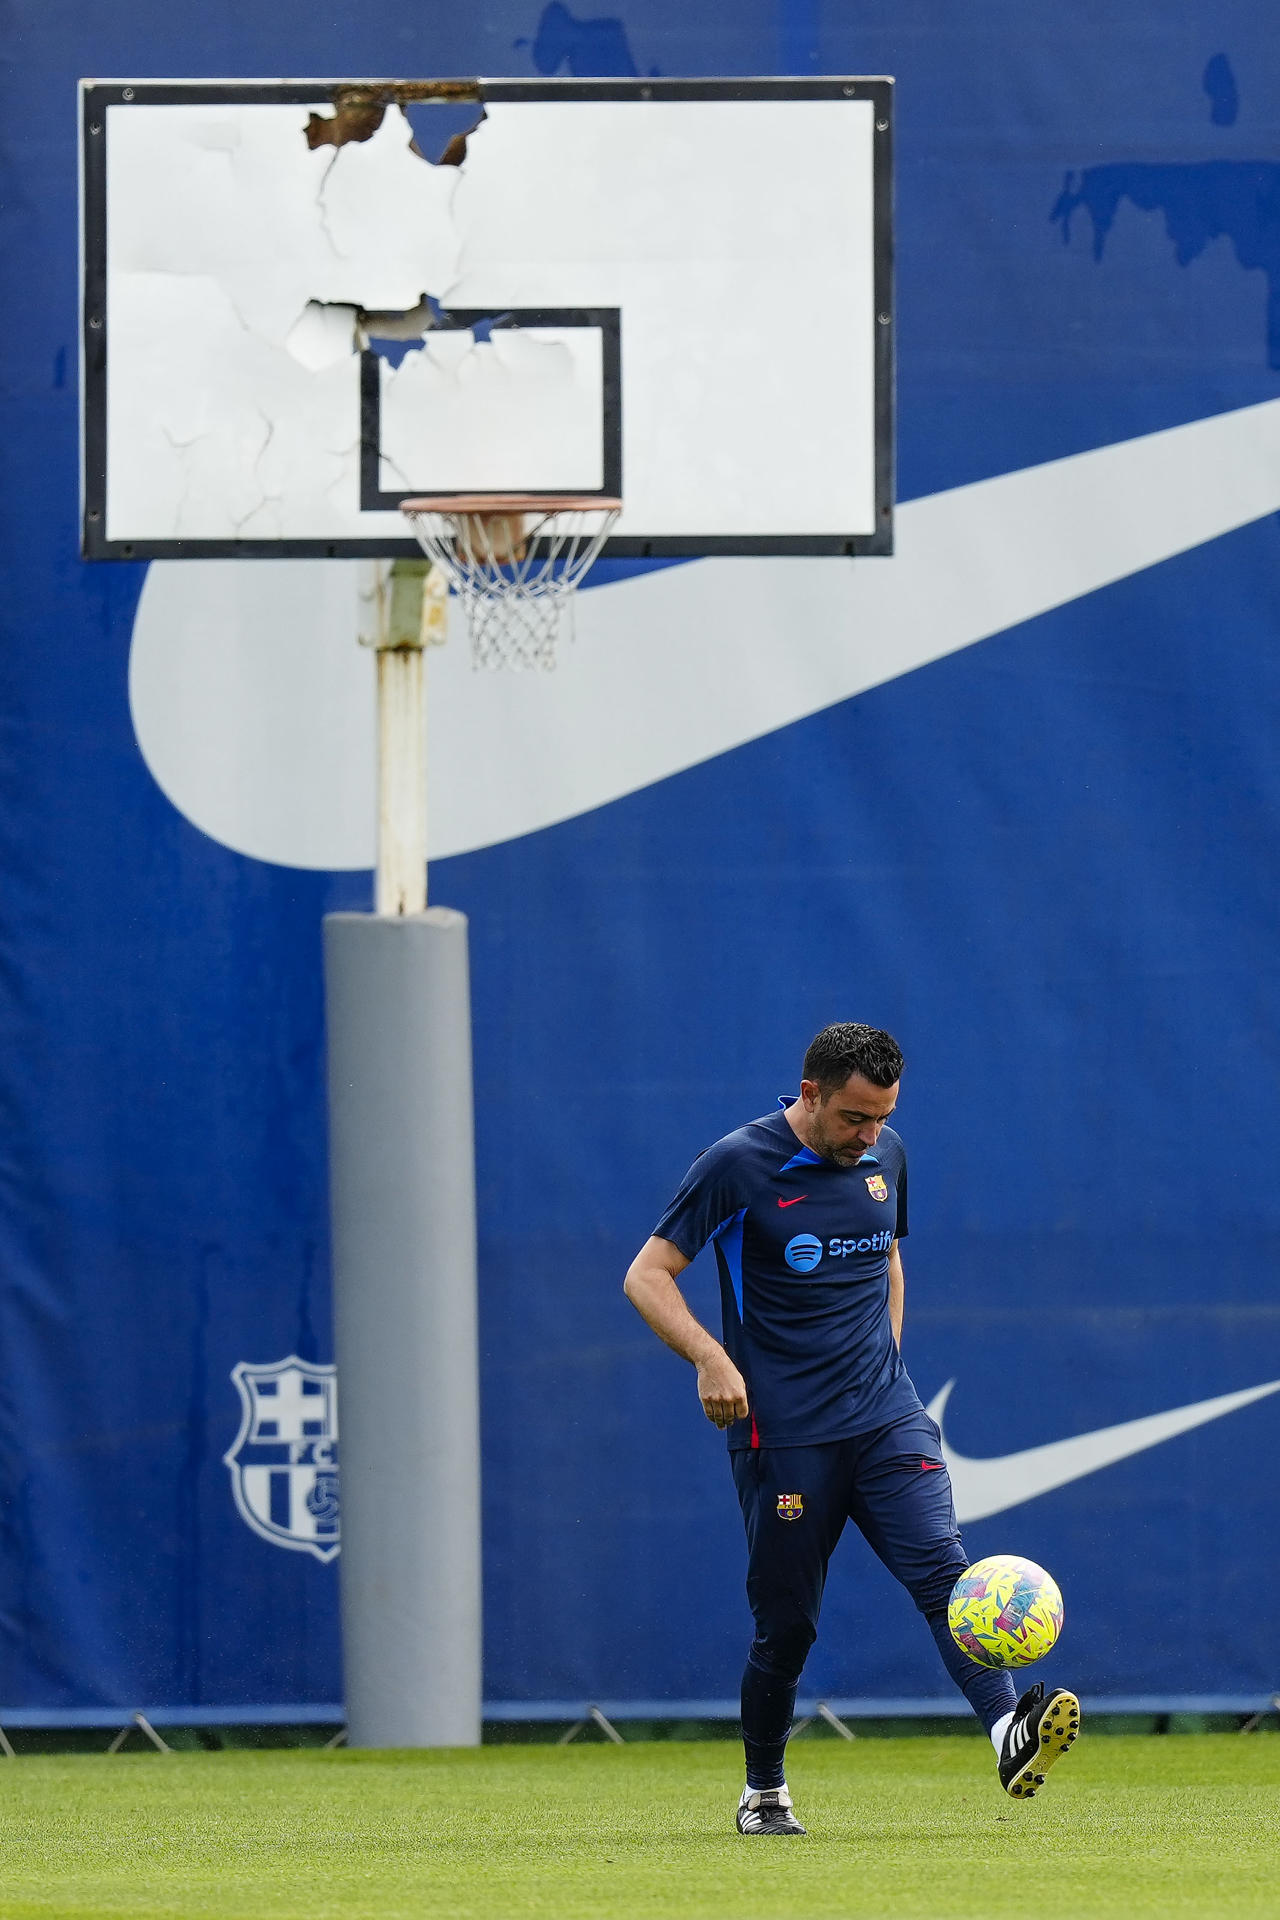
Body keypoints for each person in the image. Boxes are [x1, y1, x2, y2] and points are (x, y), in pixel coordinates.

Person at [623, 1022, 1079, 1836]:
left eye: (883, 1118)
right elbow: (646, 1275)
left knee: (946, 1573)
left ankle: (1009, 1733)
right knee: (787, 1624)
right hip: (785, 1436)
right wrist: (709, 1358)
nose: (870, 1135)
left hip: (886, 1420)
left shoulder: (888, 1157)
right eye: (855, 1119)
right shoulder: (738, 1164)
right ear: (811, 1094)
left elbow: (888, 1264)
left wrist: (888, 1370)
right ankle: (764, 1792)